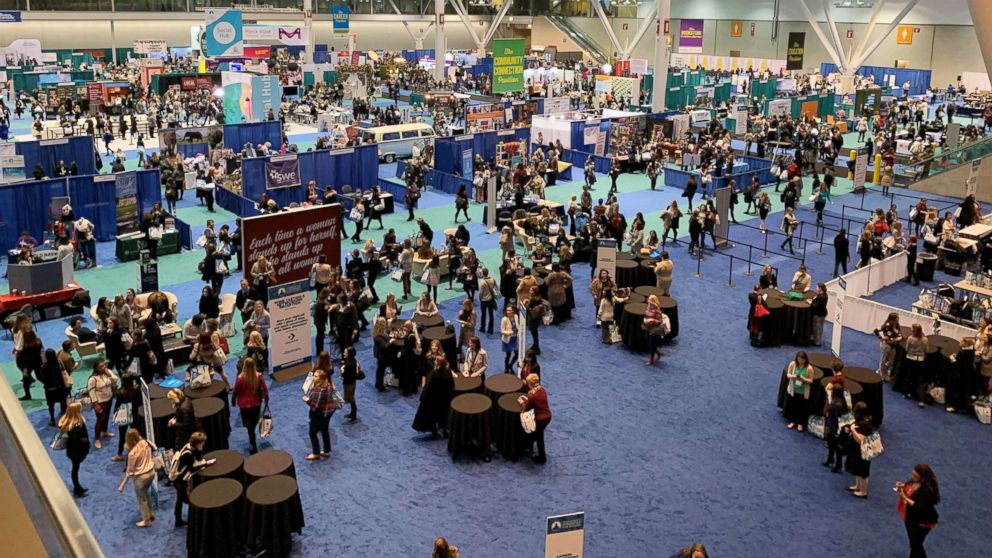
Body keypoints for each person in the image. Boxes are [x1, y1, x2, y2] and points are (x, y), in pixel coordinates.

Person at [897, 464, 940, 558]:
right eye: (912, 474)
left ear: (922, 477)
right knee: (914, 544)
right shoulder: (914, 481)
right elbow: (909, 488)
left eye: (915, 476)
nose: (912, 477)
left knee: (916, 545)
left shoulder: (927, 491)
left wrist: (904, 497)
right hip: (911, 518)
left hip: (922, 522)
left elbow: (917, 505)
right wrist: (902, 487)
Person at [172, 431, 213, 527]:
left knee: (180, 498)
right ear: (197, 443)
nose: (203, 444)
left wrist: (199, 450)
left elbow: (198, 457)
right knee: (187, 499)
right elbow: (192, 468)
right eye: (202, 443)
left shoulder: (188, 446)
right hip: (179, 479)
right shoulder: (188, 455)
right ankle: (192, 519)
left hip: (181, 477)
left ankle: (178, 519)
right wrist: (206, 464)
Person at [117, 429, 156, 527]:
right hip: (151, 473)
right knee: (146, 494)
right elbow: (154, 447)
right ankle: (151, 514)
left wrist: (123, 484)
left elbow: (130, 471)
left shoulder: (132, 454)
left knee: (141, 499)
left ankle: (146, 520)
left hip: (141, 478)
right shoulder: (145, 442)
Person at [232, 357, 269, 454]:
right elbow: (265, 389)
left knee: (248, 424)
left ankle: (252, 438)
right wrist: (267, 399)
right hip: (256, 403)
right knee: (254, 422)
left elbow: (235, 391)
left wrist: (233, 401)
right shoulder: (259, 376)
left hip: (244, 405)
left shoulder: (240, 378)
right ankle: (252, 437)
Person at [412, 355, 455, 437]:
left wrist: (423, 397)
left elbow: (429, 387)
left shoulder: (434, 373)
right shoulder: (448, 372)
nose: (434, 362)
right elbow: (452, 385)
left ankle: (434, 432)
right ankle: (444, 430)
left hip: (434, 399)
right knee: (443, 415)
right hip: (445, 399)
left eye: (436, 361)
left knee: (433, 416)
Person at [304, 369, 337, 459]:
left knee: (312, 432)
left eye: (315, 376)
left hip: (320, 413)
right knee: (324, 430)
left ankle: (316, 453)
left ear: (320, 379)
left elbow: (315, 406)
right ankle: (326, 451)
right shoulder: (328, 385)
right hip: (329, 411)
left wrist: (307, 400)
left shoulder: (319, 391)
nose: (313, 377)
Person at [519, 373, 551, 464]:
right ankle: (528, 447)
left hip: (540, 419)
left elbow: (526, 408)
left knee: (539, 438)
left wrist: (522, 402)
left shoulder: (531, 395)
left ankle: (542, 457)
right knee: (536, 435)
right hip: (547, 416)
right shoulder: (542, 390)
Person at [86, 360, 118, 449]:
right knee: (100, 419)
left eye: (103, 366)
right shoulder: (92, 379)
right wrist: (95, 404)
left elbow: (115, 379)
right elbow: (91, 392)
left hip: (109, 398)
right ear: (96, 368)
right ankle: (97, 439)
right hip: (100, 401)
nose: (103, 368)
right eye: (100, 367)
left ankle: (104, 431)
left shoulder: (107, 372)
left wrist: (109, 374)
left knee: (107, 416)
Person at [60, 401, 90, 497]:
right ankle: (77, 488)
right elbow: (77, 438)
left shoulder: (70, 423)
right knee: (75, 469)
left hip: (72, 450)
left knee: (75, 468)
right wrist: (85, 440)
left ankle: (77, 487)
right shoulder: (76, 425)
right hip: (77, 450)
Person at [845, 401, 874, 498]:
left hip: (862, 450)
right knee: (857, 469)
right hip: (857, 450)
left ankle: (863, 491)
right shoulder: (866, 419)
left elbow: (861, 440)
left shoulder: (864, 424)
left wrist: (853, 430)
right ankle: (858, 486)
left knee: (862, 472)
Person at [896, 324, 930, 406]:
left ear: (914, 330)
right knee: (919, 380)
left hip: (910, 359)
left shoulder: (910, 338)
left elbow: (907, 349)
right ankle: (921, 400)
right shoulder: (925, 339)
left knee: (908, 377)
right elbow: (927, 350)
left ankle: (905, 393)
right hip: (920, 361)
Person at [37, 348, 70, 426]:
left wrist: (46, 383)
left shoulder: (43, 367)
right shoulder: (59, 364)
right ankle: (65, 418)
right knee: (63, 403)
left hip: (49, 390)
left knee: (51, 406)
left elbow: (41, 377)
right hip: (60, 388)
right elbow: (64, 374)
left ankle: (52, 419)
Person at [783, 351, 814, 431]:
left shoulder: (809, 368)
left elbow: (811, 381)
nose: (800, 361)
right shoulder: (793, 364)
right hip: (793, 389)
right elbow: (788, 375)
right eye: (799, 359)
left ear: (805, 360)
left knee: (801, 408)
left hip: (803, 391)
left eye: (802, 360)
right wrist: (794, 376)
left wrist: (803, 379)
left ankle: (800, 423)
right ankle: (793, 421)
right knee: (793, 406)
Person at [822, 384, 849, 473]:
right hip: (837, 428)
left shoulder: (835, 404)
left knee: (835, 447)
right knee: (834, 446)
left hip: (834, 428)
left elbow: (835, 418)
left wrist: (835, 431)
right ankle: (831, 460)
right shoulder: (843, 402)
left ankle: (838, 464)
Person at [875, 313, 903, 381]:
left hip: (893, 346)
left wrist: (898, 338)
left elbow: (899, 334)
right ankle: (882, 375)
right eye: (897, 317)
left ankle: (883, 371)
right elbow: (876, 330)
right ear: (893, 319)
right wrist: (881, 337)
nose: (898, 318)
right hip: (886, 345)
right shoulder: (887, 325)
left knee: (891, 361)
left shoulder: (897, 325)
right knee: (883, 360)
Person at [340, 346, 361, 422]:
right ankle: (353, 413)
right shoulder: (353, 360)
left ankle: (353, 415)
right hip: (352, 382)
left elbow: (345, 374)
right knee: (351, 398)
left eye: (345, 352)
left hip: (348, 383)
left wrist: (342, 370)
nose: (344, 353)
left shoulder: (349, 364)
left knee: (351, 399)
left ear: (349, 354)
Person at [478, 268, 499, 335]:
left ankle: (482, 328)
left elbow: (480, 293)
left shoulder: (482, 282)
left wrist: (480, 299)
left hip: (484, 300)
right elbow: (496, 288)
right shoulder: (493, 279)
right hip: (491, 300)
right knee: (491, 314)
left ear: (482, 274)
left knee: (483, 315)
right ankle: (490, 329)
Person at [500, 306, 519, 373]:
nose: (508, 312)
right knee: (508, 355)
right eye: (507, 310)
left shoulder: (516, 316)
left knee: (517, 354)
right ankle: (506, 368)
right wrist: (511, 332)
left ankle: (510, 365)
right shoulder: (504, 319)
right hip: (508, 339)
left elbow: (517, 326)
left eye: (510, 310)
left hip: (515, 338)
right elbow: (502, 331)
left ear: (513, 311)